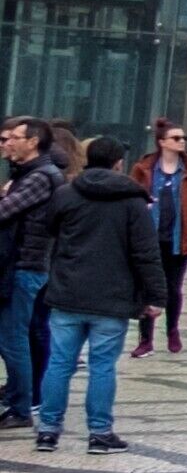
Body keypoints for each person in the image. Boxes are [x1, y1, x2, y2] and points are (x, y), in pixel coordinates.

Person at [36, 132, 163, 453]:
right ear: (119, 163)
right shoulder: (134, 201)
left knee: (59, 364)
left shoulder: (66, 194)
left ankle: (48, 431)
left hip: (67, 292)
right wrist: (157, 297)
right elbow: (146, 253)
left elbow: (49, 229)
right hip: (113, 298)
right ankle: (100, 433)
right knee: (102, 366)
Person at [134, 121, 187, 356]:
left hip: (180, 238)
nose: (182, 142)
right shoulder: (145, 168)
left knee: (173, 287)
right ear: (162, 142)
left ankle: (172, 331)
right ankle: (145, 338)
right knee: (148, 286)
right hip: (151, 236)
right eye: (176, 138)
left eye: (183, 138)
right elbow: (133, 195)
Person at [0, 121, 60, 427]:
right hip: (17, 265)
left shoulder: (40, 177)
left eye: (14, 138)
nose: (8, 143)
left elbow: (4, 212)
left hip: (26, 267)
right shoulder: (27, 174)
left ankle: (21, 406)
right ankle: (15, 393)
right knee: (10, 336)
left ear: (33, 142)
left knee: (14, 337)